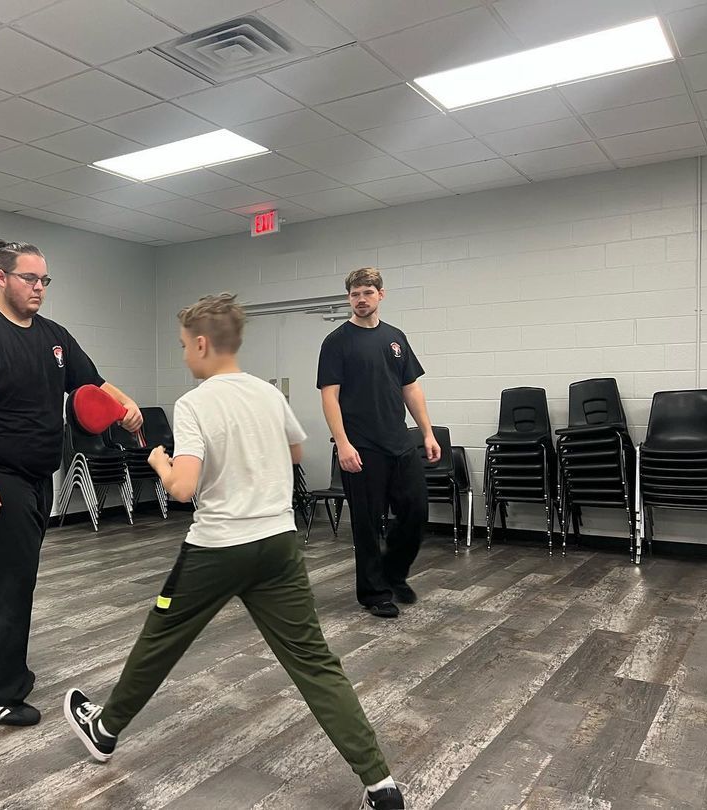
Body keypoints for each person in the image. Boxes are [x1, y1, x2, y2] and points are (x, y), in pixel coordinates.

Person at [64, 293, 406, 810]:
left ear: (202, 344)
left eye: (183, 345)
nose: (183, 355)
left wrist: (159, 460)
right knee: (315, 663)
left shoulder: (194, 403)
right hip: (279, 546)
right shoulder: (269, 395)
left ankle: (105, 730)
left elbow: (182, 488)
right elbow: (296, 450)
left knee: (160, 640)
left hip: (217, 550)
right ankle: (380, 784)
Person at [0, 239, 143, 727]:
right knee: (6, 585)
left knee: (3, 580)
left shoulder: (53, 335)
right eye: (30, 278)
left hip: (37, 476)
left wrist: (124, 403)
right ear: (1, 278)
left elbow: (90, 383)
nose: (39, 288)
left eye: (44, 280)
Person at [317, 267, 438, 619]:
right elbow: (329, 396)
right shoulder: (337, 342)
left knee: (416, 511)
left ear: (380, 295)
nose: (361, 299)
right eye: (355, 294)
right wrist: (342, 443)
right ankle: (374, 593)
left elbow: (410, 388)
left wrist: (427, 432)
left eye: (367, 293)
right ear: (349, 299)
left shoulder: (395, 338)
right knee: (368, 524)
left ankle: (393, 573)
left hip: (399, 441)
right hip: (361, 446)